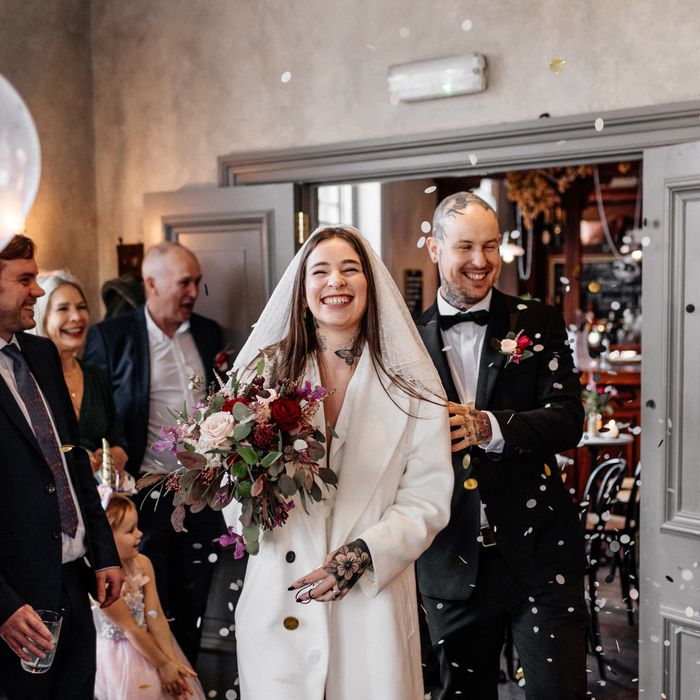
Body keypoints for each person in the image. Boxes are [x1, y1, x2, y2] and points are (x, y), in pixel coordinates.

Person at [232, 225, 453, 700]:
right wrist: (251, 495)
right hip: (280, 598)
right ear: (303, 288)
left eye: (350, 269)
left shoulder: (412, 382)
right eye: (321, 271)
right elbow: (231, 489)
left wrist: (362, 556)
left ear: (370, 284)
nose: (336, 282)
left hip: (370, 607)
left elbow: (427, 498)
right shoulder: (261, 373)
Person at [415, 192, 588, 699]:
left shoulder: (537, 322)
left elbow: (568, 420)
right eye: (465, 246)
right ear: (434, 248)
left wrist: (490, 426)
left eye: (491, 246)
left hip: (541, 555)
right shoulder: (401, 340)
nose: (481, 261)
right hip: (450, 561)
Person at [84, 241, 224, 664]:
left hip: (201, 496)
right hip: (145, 498)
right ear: (151, 283)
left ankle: (190, 679)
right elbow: (96, 417)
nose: (193, 292)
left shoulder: (207, 332)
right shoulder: (111, 338)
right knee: (151, 605)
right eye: (184, 282)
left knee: (194, 602)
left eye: (197, 282)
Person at [0, 235, 122, 699]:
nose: (37, 291)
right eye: (24, 279)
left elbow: (69, 464)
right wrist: (3, 608)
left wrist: (104, 552)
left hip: (72, 582)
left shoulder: (43, 355)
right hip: (15, 607)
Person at [93, 495, 205, 700]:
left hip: (153, 647)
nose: (140, 534)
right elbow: (131, 628)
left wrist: (172, 663)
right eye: (130, 531)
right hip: (118, 661)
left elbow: (156, 616)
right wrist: (162, 664)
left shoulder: (143, 564)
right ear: (105, 536)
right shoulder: (101, 579)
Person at [30, 270, 129, 475]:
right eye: (63, 309)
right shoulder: (28, 380)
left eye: (81, 307)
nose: (76, 317)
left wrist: (115, 453)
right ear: (41, 316)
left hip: (99, 500)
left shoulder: (95, 376)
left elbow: (117, 437)